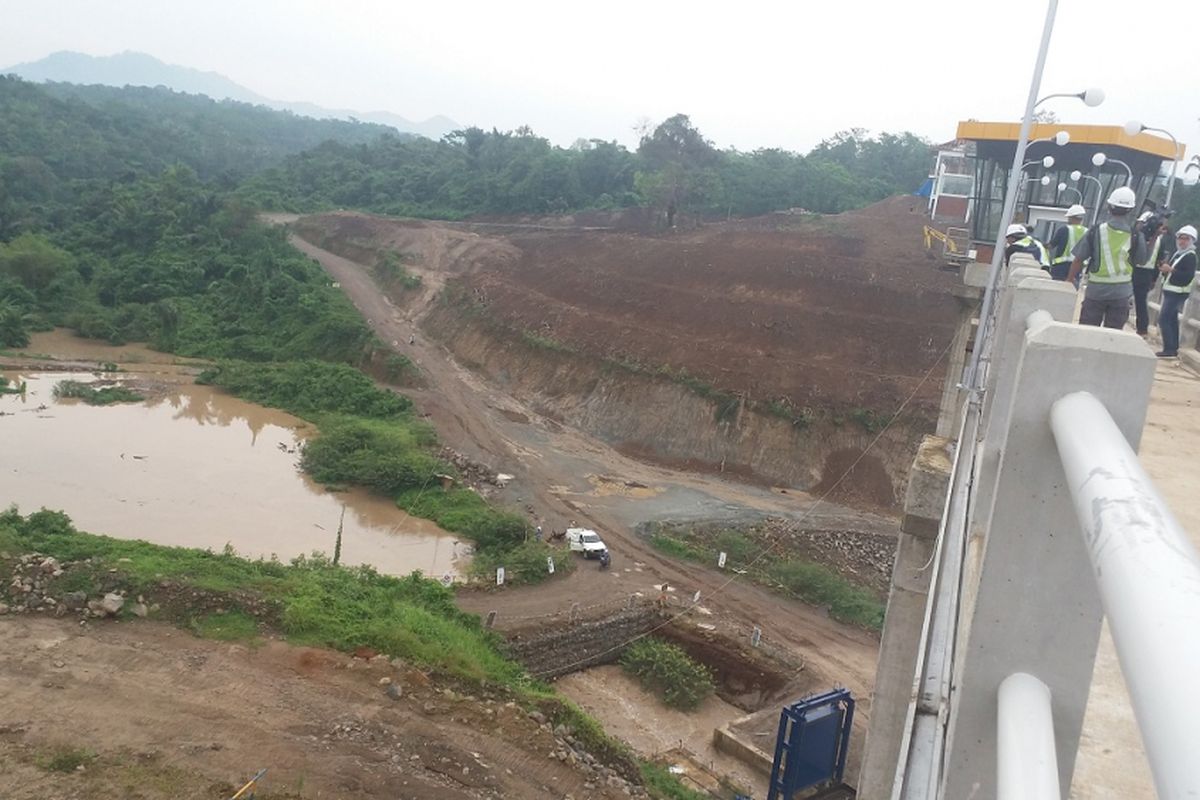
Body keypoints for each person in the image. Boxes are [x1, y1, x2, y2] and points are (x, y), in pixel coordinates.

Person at [1067, 186, 1149, 329]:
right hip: (1122, 293)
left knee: (1087, 333)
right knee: (1113, 337)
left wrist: (1069, 280)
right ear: (1130, 210)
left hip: (1095, 292)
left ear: (1109, 207)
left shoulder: (1095, 231)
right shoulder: (1136, 235)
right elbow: (1141, 261)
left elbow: (1079, 259)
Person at [1156, 225, 1197, 358]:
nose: (1182, 241)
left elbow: (1187, 276)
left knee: (1164, 319)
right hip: (1171, 291)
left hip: (1178, 292)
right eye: (1180, 238)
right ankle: (1173, 348)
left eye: (1185, 239)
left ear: (1191, 240)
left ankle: (1169, 348)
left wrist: (1171, 270)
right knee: (1172, 319)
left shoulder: (1190, 256)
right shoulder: (1179, 254)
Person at [1132, 211, 1171, 337]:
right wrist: (1154, 279)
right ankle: (1142, 329)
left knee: (1124, 297)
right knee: (1141, 302)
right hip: (1147, 274)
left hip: (1135, 270)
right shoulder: (1160, 240)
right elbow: (1159, 261)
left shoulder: (1139, 236)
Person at [1048, 205, 1089, 281]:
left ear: (1072, 217)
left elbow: (1051, 246)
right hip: (1078, 267)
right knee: (1072, 288)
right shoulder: (1087, 232)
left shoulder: (1064, 229)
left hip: (1061, 266)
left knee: (1056, 288)